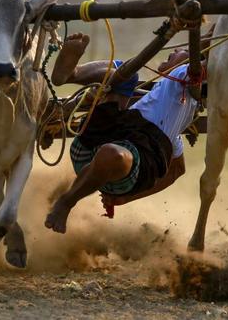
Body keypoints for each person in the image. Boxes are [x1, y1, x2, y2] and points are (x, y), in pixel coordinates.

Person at [44, 30, 208, 234]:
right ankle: (72, 74)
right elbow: (176, 171)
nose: (176, 49)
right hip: (90, 147)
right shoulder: (163, 109)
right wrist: (125, 199)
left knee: (112, 153)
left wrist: (183, 28)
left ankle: (66, 201)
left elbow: (205, 48)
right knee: (127, 74)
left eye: (182, 51)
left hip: (120, 168)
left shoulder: (183, 76)